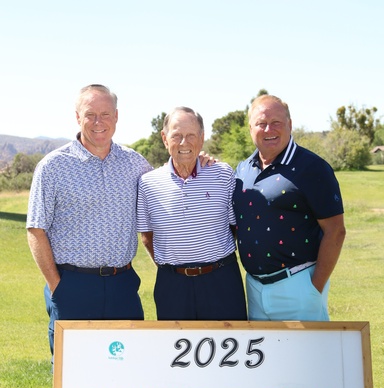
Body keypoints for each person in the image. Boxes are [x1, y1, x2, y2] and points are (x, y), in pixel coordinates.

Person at [26, 84, 152, 355]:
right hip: (72, 285)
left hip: (123, 285)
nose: (98, 122)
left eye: (105, 114)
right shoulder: (53, 166)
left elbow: (164, 191)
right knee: (72, 369)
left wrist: (201, 162)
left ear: (116, 116)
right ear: (77, 117)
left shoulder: (136, 164)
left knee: (128, 366)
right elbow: (36, 229)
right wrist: (57, 286)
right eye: (90, 114)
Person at [233, 94, 346, 321]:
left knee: (308, 347)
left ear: (290, 125)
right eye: (261, 123)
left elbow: (336, 231)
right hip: (254, 287)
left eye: (276, 122)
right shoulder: (242, 170)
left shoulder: (312, 167)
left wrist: (314, 287)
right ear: (250, 128)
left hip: (298, 285)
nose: (269, 129)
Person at [137, 106, 247, 321]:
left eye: (191, 136)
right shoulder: (148, 183)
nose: (184, 143)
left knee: (229, 340)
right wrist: (173, 266)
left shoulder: (223, 174)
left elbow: (234, 227)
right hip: (173, 285)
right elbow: (147, 237)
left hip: (221, 280)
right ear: (164, 138)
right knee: (175, 342)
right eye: (176, 136)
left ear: (202, 138)